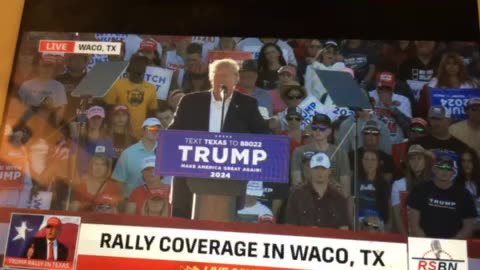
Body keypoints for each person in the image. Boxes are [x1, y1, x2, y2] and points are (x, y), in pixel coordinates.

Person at [168, 58, 270, 220]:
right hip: (189, 182)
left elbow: (265, 138)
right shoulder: (190, 101)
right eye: (218, 75)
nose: (222, 79)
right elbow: (172, 136)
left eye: (227, 76)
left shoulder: (247, 104)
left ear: (236, 79)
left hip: (229, 186)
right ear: (210, 78)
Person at [408, 156, 478, 239]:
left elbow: (468, 227)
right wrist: (426, 243)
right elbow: (413, 224)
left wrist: (451, 243)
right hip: (424, 243)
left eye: (449, 169)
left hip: (454, 245)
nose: (445, 171)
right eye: (441, 167)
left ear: (454, 172)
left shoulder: (464, 194)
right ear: (434, 169)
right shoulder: (420, 190)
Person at [291, 114, 351, 197]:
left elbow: (346, 189)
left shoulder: (340, 154)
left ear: (329, 131)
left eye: (322, 128)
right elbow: (296, 182)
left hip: (332, 199)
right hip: (307, 198)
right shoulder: (299, 152)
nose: (318, 131)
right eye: (315, 128)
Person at [286, 152, 350, 229]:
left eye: (323, 168)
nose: (320, 172)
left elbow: (344, 228)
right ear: (310, 170)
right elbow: (290, 227)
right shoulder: (297, 195)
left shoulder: (339, 198)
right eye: (316, 168)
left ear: (329, 171)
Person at [103, 54, 158, 138]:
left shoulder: (151, 88)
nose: (140, 65)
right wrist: (109, 130)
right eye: (137, 62)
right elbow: (108, 108)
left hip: (140, 135)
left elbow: (152, 113)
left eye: (143, 63)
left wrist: (149, 132)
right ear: (130, 66)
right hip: (120, 133)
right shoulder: (117, 85)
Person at [417, 52, 479, 118]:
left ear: (460, 66)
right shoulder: (435, 82)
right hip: (441, 120)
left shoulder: (471, 83)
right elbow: (429, 105)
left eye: (455, 64)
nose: (451, 67)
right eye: (448, 63)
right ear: (444, 66)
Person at [112, 118, 161, 197]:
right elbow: (119, 182)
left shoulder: (166, 153)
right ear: (143, 131)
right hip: (131, 202)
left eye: (158, 129)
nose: (155, 131)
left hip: (157, 203)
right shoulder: (128, 153)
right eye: (152, 128)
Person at [391, 145, 433, 235]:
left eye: (419, 158)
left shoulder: (433, 185)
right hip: (406, 234)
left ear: (425, 161)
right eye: (412, 159)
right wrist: (406, 238)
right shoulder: (398, 184)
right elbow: (397, 215)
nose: (416, 162)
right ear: (408, 163)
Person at [18, 55, 67, 126]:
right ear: (39, 67)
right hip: (28, 124)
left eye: (49, 67)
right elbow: (18, 106)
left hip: (48, 125)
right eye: (44, 67)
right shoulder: (26, 85)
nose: (46, 70)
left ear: (53, 69)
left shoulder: (59, 86)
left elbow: (61, 109)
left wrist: (55, 126)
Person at [369, 72, 412, 144]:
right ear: (376, 84)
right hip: (373, 140)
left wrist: (391, 107)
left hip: (395, 142)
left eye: (388, 88)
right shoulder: (368, 96)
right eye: (381, 88)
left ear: (394, 85)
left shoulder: (403, 100)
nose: (384, 91)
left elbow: (407, 127)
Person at [73, 106, 114, 176]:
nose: (96, 121)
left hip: (98, 180)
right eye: (93, 118)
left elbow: (109, 165)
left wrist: (105, 181)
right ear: (88, 119)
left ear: (102, 119)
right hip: (81, 179)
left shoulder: (107, 141)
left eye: (99, 118)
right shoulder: (78, 139)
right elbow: (72, 161)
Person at [356, 150, 390, 230]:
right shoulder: (355, 180)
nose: (369, 162)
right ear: (361, 162)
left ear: (378, 163)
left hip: (378, 221)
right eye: (366, 159)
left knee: (372, 224)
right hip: (359, 221)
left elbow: (388, 207)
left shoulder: (384, 183)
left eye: (373, 159)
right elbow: (350, 203)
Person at [55, 53, 89, 122]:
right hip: (61, 121)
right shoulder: (59, 80)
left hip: (83, 121)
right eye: (75, 58)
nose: (78, 61)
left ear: (85, 62)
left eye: (81, 58)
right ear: (69, 62)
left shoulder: (91, 80)